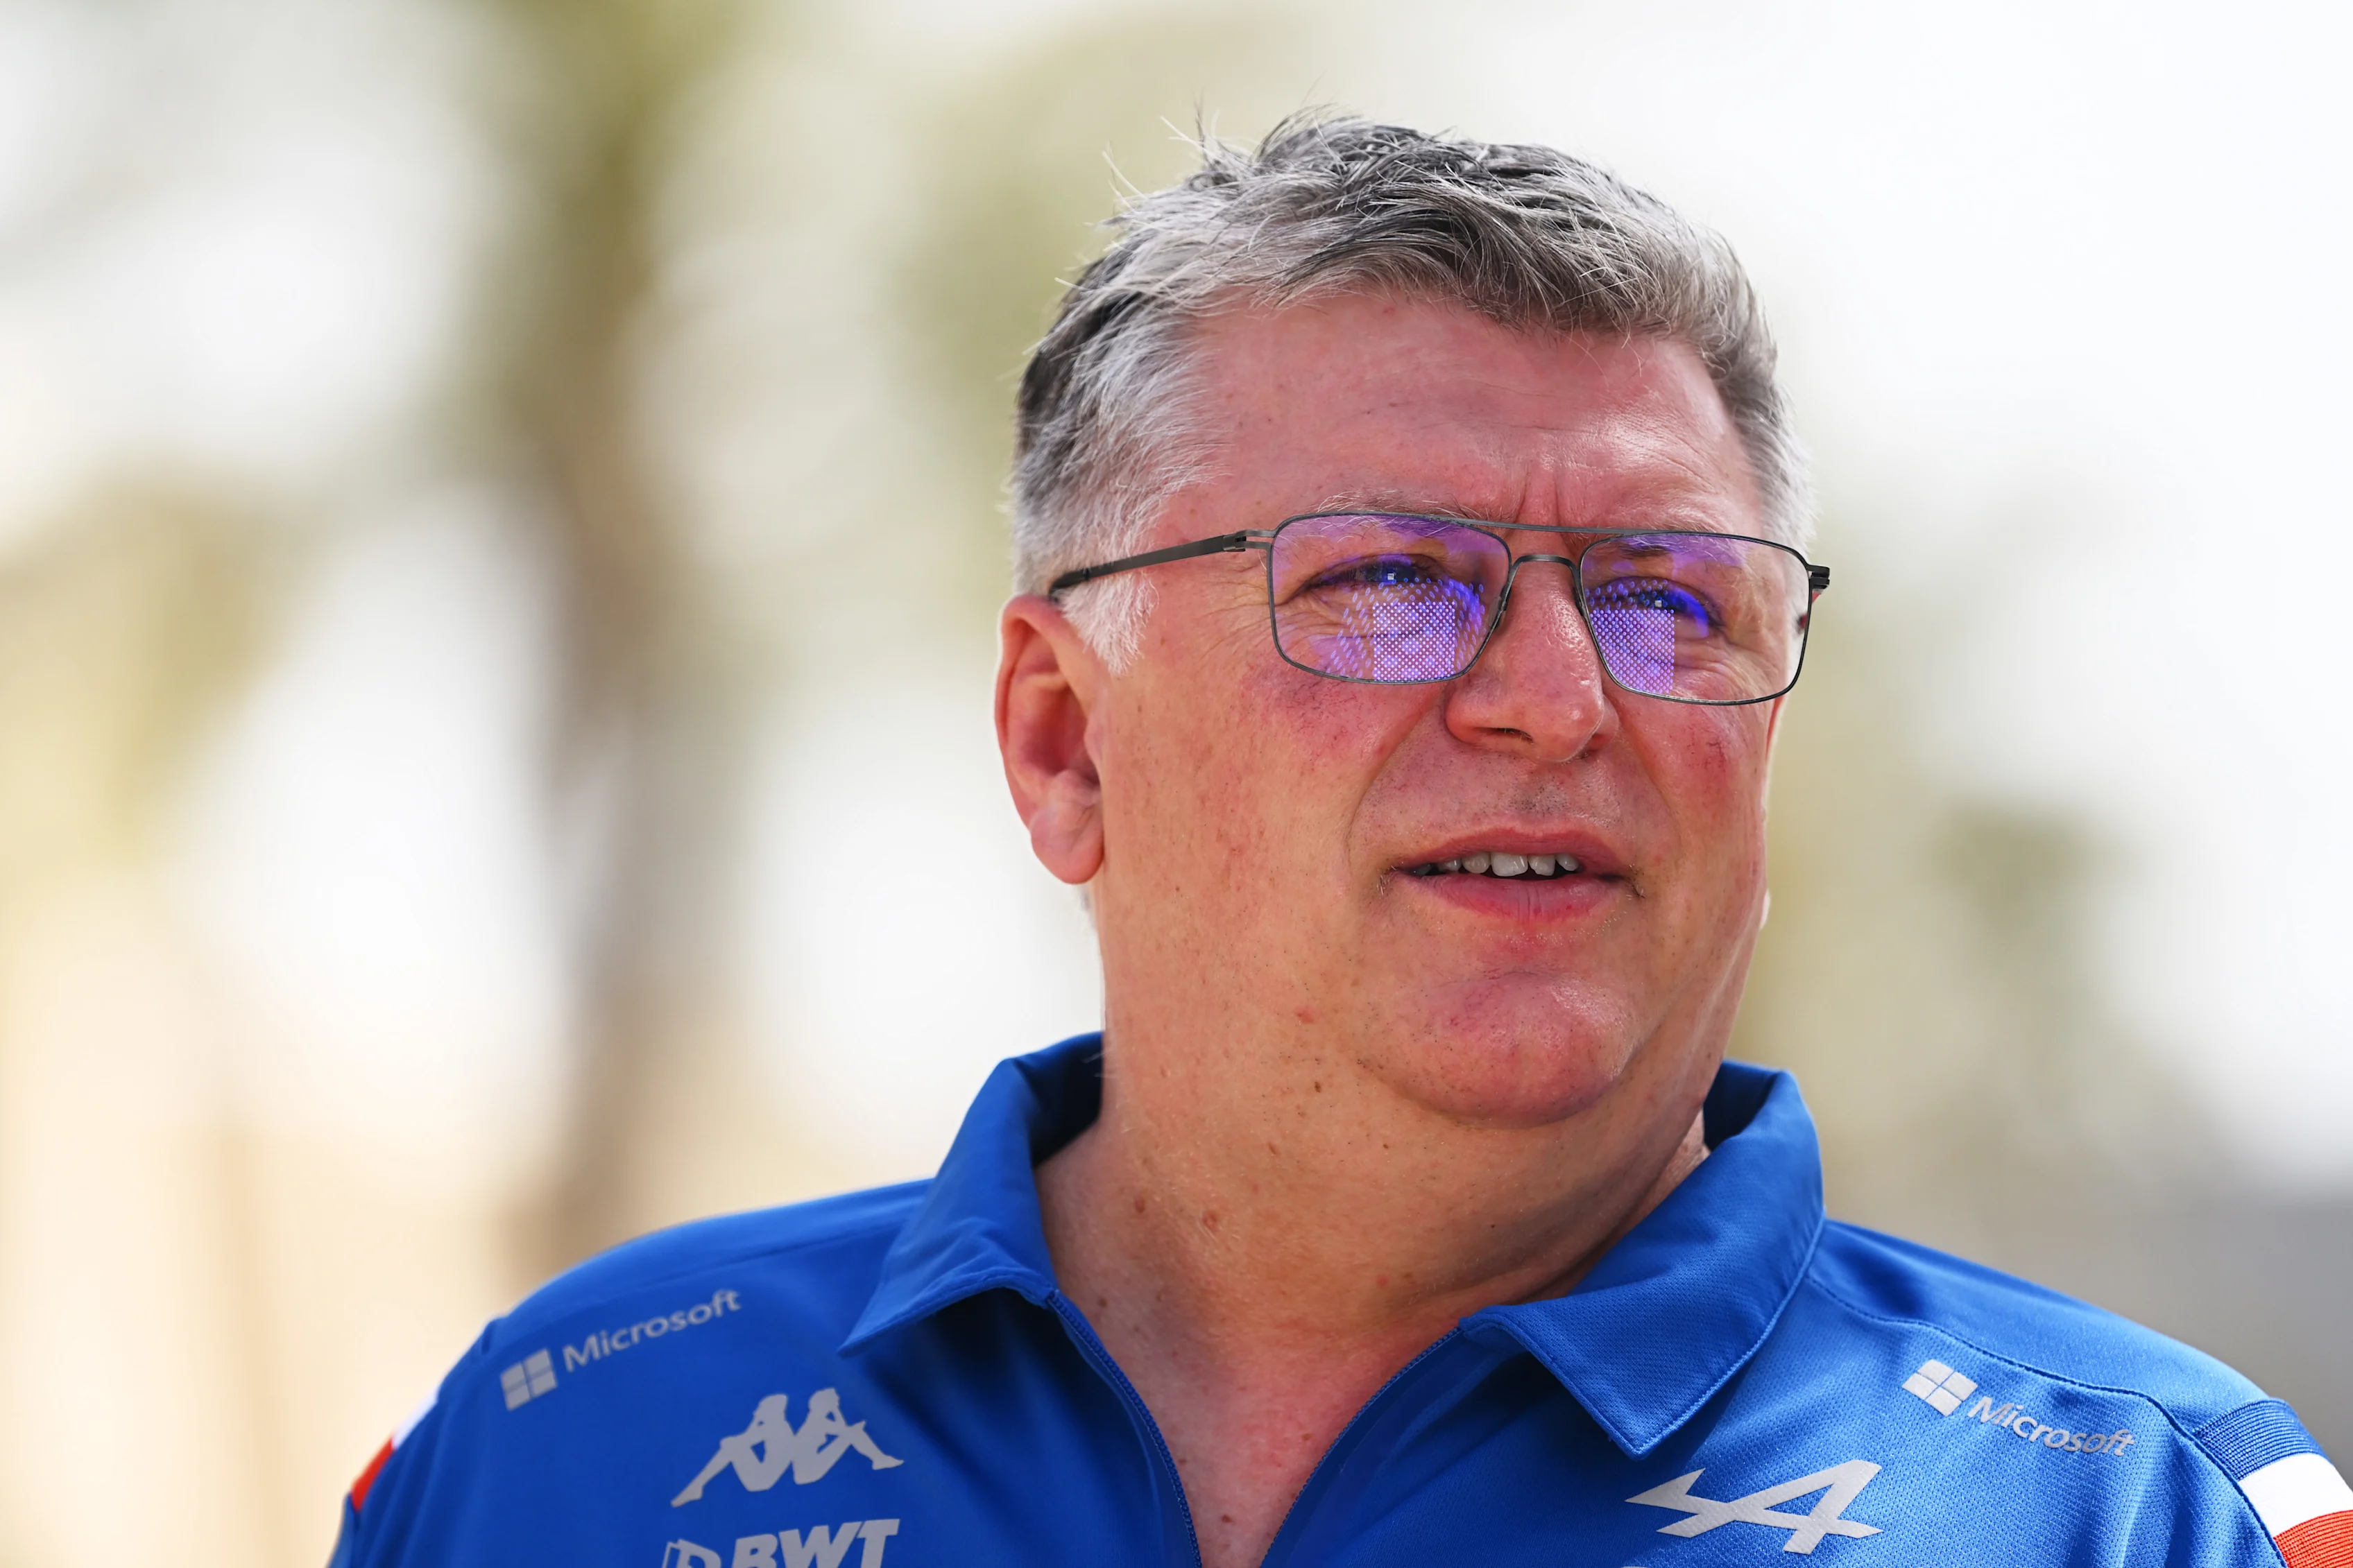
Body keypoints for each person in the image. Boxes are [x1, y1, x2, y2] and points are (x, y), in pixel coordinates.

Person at [327, 116, 2352, 1568]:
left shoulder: (2137, 1513)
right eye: (1391, 581)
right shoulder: (565, 1449)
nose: (1559, 697)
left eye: (1671, 600)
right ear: (1063, 742)